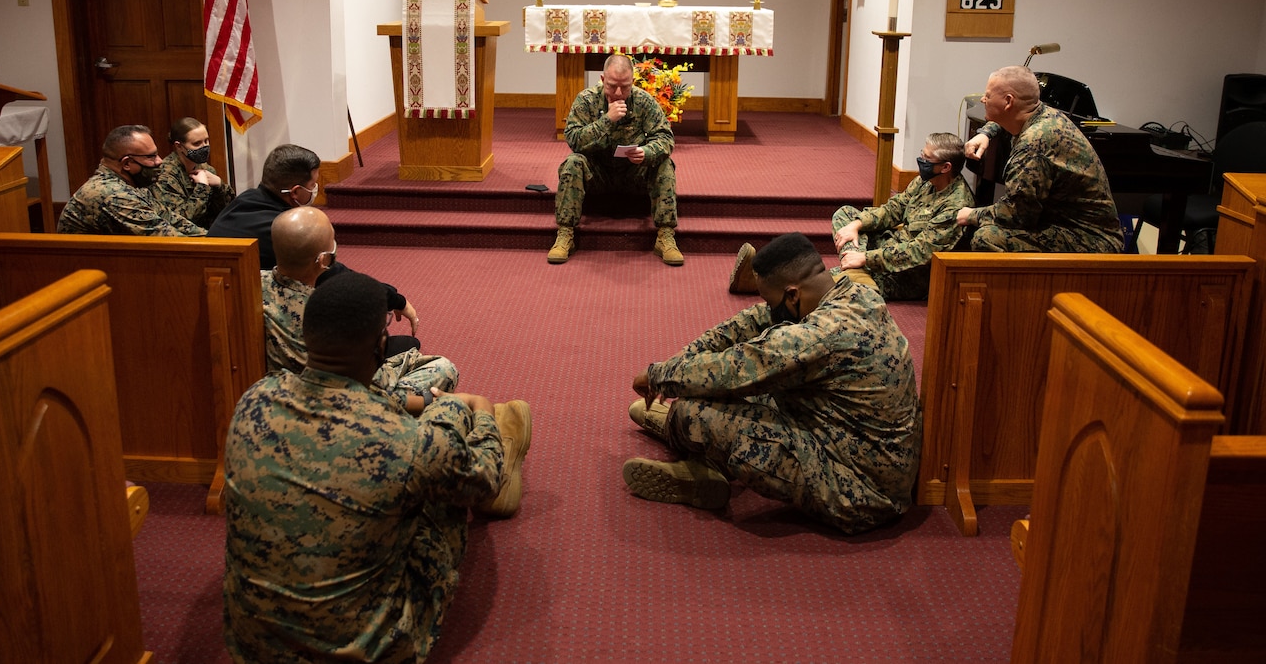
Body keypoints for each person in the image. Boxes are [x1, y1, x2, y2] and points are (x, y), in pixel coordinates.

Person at [224, 272, 532, 662]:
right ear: (381, 345)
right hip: (369, 651)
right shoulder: (404, 441)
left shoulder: (253, 400)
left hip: (252, 648)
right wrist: (479, 412)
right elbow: (484, 480)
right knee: (442, 480)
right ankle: (492, 438)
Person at [624, 232, 921, 534]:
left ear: (793, 295)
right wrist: (680, 360)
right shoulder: (850, 290)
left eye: (772, 301)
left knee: (695, 409)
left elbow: (731, 370)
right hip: (847, 439)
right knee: (734, 391)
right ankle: (702, 464)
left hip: (860, 491)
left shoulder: (818, 337)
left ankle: (687, 437)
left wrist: (659, 376)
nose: (769, 309)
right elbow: (750, 323)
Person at [208, 143, 421, 338]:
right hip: (248, 325)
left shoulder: (244, 200)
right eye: (313, 184)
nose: (315, 190)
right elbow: (337, 277)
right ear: (296, 192)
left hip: (217, 308)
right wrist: (395, 299)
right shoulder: (283, 229)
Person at [727, 133, 974, 301]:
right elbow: (893, 209)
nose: (920, 161)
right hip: (889, 248)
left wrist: (865, 258)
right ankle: (855, 272)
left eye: (926, 159)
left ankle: (759, 284)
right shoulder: (926, 181)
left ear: (946, 167)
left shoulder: (956, 205)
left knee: (828, 282)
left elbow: (919, 253)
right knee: (846, 214)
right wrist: (857, 225)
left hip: (908, 274)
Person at [262, 207, 454, 414]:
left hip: (280, 391)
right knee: (444, 368)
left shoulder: (251, 284)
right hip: (340, 401)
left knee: (408, 347)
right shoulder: (329, 309)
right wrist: (421, 400)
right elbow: (367, 381)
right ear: (324, 260)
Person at [955, 65, 1124, 253]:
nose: (983, 99)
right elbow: (1007, 120)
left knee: (987, 237)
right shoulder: (1041, 114)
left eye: (988, 95)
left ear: (1008, 101)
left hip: (1089, 240)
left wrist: (972, 214)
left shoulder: (1034, 143)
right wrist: (986, 133)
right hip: (1065, 225)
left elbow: (1017, 215)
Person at [548, 52, 683, 265]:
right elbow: (573, 139)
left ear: (633, 81)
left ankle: (665, 235)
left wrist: (647, 152)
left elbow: (665, 138)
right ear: (602, 80)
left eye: (625, 86)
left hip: (633, 174)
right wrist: (606, 121)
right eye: (612, 86)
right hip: (598, 175)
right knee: (572, 163)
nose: (619, 93)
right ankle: (565, 233)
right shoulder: (587, 100)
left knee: (664, 163)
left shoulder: (643, 101)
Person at [57, 124, 207, 236]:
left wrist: (214, 238)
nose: (160, 161)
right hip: (87, 274)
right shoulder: (112, 194)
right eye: (151, 156)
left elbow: (172, 219)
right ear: (127, 163)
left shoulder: (132, 185)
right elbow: (167, 238)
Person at [151, 117, 235, 229]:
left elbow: (227, 211)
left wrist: (220, 185)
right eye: (197, 143)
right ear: (179, 146)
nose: (204, 147)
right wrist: (202, 187)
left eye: (206, 141)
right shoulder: (165, 176)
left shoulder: (206, 169)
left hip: (213, 233)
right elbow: (181, 220)